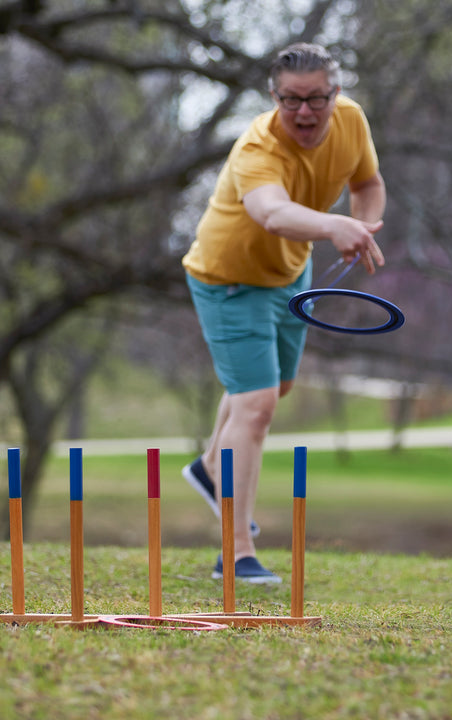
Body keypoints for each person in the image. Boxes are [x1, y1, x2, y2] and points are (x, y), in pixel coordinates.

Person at [181, 43, 386, 584]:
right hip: (228, 280)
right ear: (274, 96)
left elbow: (367, 184)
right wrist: (332, 226)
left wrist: (362, 224)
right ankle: (237, 550)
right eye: (291, 99)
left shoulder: (351, 121)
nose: (304, 112)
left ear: (334, 93)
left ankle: (210, 469)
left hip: (290, 274)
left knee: (277, 388)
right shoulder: (257, 147)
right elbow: (271, 212)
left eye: (316, 97)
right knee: (257, 404)